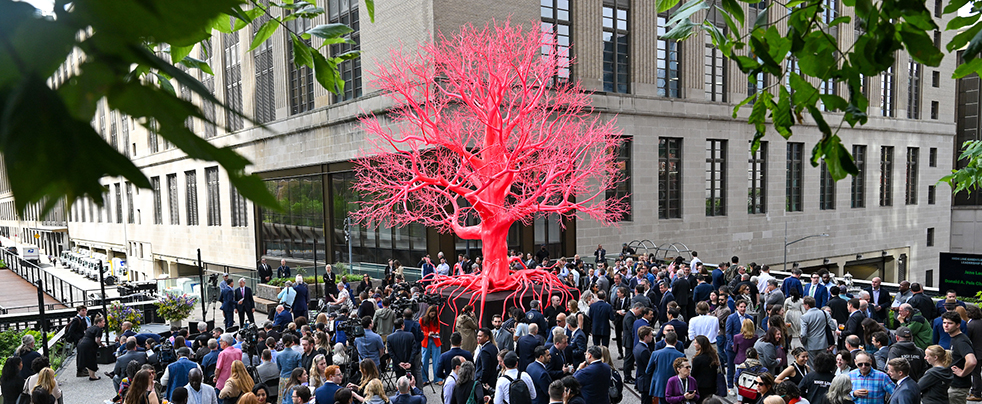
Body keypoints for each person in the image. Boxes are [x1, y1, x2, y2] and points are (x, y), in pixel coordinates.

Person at [945, 310, 978, 404]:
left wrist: (963, 373)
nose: (946, 325)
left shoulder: (961, 341)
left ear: (958, 325)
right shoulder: (955, 338)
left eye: (950, 323)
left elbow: (972, 361)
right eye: (944, 322)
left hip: (958, 387)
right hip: (953, 385)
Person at [647, 331, 686, 403]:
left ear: (665, 340)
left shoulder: (655, 353)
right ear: (676, 342)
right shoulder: (681, 355)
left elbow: (648, 370)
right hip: (675, 386)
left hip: (660, 385)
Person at [690, 335, 720, 403]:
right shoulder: (713, 356)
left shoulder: (697, 359)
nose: (694, 345)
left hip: (700, 386)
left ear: (700, 345)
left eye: (695, 343)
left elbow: (693, 373)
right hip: (711, 385)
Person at [77, 315, 105, 381]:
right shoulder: (99, 329)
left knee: (85, 359)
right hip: (89, 345)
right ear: (99, 322)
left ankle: (88, 374)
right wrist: (101, 345)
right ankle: (92, 376)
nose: (104, 324)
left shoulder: (90, 328)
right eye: (103, 322)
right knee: (92, 359)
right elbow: (97, 340)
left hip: (81, 343)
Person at [419, 306, 442, 385]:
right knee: (424, 359)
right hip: (426, 340)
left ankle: (438, 378)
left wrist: (436, 332)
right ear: (428, 313)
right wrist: (427, 334)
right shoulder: (422, 319)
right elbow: (420, 331)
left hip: (435, 339)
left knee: (437, 359)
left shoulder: (437, 319)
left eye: (434, 314)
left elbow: (438, 328)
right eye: (431, 314)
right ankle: (424, 379)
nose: (432, 316)